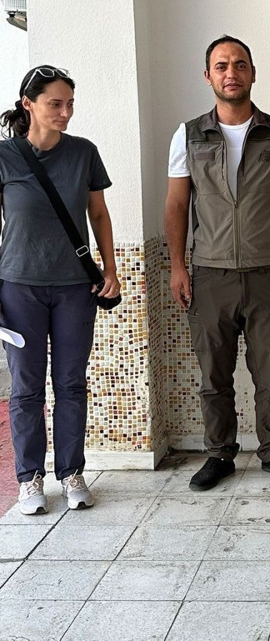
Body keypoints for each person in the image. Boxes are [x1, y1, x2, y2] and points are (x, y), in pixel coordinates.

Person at [165, 36, 270, 491]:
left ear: (252, 73)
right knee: (214, 374)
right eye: (222, 65)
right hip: (210, 273)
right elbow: (176, 205)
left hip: (269, 270)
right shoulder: (188, 134)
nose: (232, 72)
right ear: (208, 75)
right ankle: (219, 454)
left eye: (240, 64)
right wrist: (177, 265)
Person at [0, 66, 120, 514]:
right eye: (56, 103)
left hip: (74, 288)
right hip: (18, 287)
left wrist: (110, 268)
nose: (66, 112)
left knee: (70, 383)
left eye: (70, 103)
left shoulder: (83, 153)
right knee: (27, 387)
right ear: (29, 103)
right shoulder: (4, 156)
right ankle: (29, 479)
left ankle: (71, 472)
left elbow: (100, 215)